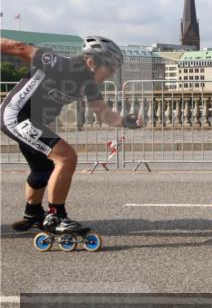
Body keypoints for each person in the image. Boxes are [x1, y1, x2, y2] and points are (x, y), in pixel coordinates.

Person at [1, 35, 143, 235]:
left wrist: (126, 121)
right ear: (92, 62)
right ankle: (56, 217)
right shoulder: (60, 64)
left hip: (34, 121)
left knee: (43, 168)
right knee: (66, 157)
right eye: (110, 69)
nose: (111, 75)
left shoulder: (89, 83)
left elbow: (103, 113)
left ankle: (33, 213)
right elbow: (18, 47)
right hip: (17, 116)